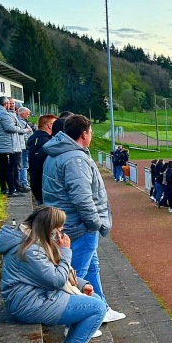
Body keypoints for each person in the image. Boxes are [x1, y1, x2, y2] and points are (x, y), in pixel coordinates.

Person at [0, 206, 106, 343]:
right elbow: (56, 280)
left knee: (95, 300)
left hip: (37, 296)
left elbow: (54, 272)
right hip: (29, 304)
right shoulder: (30, 250)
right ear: (48, 228)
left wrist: (82, 284)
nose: (61, 231)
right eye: (59, 227)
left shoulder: (33, 240)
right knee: (97, 308)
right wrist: (65, 251)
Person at [42, 114, 125, 324]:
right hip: (78, 227)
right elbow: (82, 198)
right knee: (76, 274)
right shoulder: (75, 159)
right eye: (91, 132)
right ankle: (77, 324)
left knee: (92, 268)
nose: (91, 136)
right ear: (84, 134)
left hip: (67, 223)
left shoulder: (58, 154)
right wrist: (94, 224)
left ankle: (101, 308)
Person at [0, 96, 29, 197]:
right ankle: (12, 190)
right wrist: (23, 130)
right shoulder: (3, 113)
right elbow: (9, 127)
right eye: (8, 103)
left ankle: (3, 188)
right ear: (5, 104)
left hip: (0, 144)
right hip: (7, 145)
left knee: (2, 167)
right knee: (10, 167)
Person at [27, 114, 57, 205]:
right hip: (43, 186)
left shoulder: (35, 139)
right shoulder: (46, 143)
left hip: (36, 184)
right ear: (50, 125)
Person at [17, 107, 33, 191]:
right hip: (24, 147)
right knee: (24, 164)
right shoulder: (21, 123)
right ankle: (24, 183)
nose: (28, 115)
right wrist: (28, 144)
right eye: (27, 113)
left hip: (24, 146)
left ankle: (23, 182)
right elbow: (25, 135)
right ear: (22, 113)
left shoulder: (22, 122)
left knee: (23, 164)